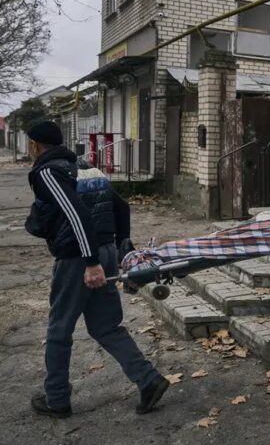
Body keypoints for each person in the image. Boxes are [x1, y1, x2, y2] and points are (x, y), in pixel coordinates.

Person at [24, 121, 169, 418]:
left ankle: (56, 399)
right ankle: (148, 380)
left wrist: (90, 262)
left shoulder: (47, 172)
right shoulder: (85, 166)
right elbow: (122, 207)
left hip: (78, 258)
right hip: (103, 251)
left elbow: (76, 215)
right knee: (105, 326)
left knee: (59, 329)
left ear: (35, 145)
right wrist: (121, 249)